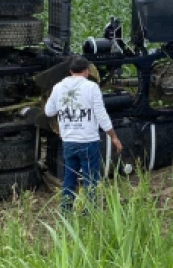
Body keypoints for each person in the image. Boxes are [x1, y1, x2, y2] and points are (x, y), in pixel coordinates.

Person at [44, 56, 123, 212]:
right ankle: (90, 211)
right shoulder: (91, 87)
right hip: (88, 141)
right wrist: (113, 137)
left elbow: (48, 111)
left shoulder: (58, 87)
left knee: (69, 177)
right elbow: (101, 115)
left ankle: (66, 210)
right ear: (86, 71)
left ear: (70, 71)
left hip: (68, 141)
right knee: (91, 179)